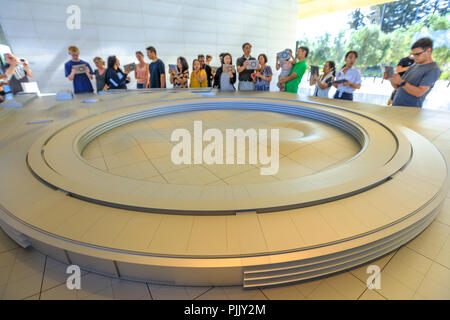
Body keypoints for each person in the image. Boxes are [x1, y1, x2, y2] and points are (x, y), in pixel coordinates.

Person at [391, 38, 441, 108]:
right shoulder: (415, 65)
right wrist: (391, 79)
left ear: (429, 51)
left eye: (417, 54)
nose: (414, 57)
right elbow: (398, 87)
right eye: (413, 54)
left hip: (410, 112)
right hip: (396, 107)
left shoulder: (433, 69)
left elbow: (419, 93)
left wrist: (401, 82)